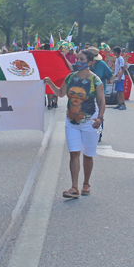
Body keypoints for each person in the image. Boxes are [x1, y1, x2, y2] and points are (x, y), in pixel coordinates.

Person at [44, 49, 105, 199]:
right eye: (77, 58)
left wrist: (100, 118)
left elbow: (101, 100)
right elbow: (60, 93)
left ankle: (86, 183)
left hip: (90, 122)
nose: (78, 61)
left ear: (90, 63)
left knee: (88, 155)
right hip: (71, 122)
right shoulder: (70, 78)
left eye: (82, 59)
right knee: (74, 153)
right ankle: (74, 187)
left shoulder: (95, 80)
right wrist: (50, 83)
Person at [88, 47, 112, 141]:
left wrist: (120, 73)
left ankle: (98, 133)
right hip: (86, 92)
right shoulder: (84, 64)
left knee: (99, 112)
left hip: (99, 92)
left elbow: (110, 76)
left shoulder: (102, 64)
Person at [112, 46, 127, 110]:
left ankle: (123, 103)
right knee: (118, 91)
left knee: (121, 91)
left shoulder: (120, 59)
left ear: (116, 52)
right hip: (117, 77)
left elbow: (123, 68)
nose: (113, 53)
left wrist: (120, 77)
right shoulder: (117, 59)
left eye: (114, 52)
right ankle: (119, 103)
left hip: (120, 78)